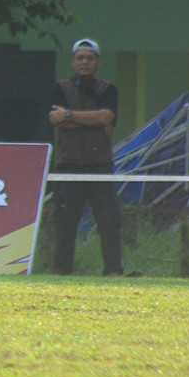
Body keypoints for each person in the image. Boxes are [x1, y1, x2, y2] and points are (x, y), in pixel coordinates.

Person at [47, 37, 129, 276]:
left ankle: (113, 270)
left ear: (98, 62)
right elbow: (57, 122)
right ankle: (62, 271)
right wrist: (93, 120)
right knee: (64, 223)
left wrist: (69, 116)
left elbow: (106, 118)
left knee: (109, 222)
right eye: (80, 58)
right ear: (72, 61)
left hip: (100, 166)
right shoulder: (60, 88)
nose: (85, 62)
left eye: (90, 58)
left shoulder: (107, 89)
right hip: (68, 165)